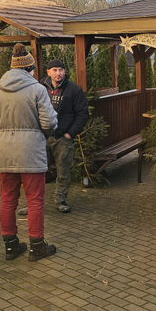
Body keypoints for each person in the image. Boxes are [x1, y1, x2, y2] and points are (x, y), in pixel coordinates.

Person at [0, 43, 58, 261]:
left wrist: (6, 132)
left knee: (8, 198)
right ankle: (37, 246)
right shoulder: (37, 89)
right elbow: (49, 121)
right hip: (32, 151)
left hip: (6, 151)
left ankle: (10, 246)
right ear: (30, 68)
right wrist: (42, 132)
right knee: (35, 200)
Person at [40, 59, 89, 214]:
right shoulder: (39, 88)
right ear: (48, 72)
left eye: (61, 70)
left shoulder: (73, 89)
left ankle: (60, 200)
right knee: (36, 172)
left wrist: (70, 133)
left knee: (63, 171)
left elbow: (82, 114)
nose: (58, 73)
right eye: (54, 70)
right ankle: (33, 203)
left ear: (64, 71)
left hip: (62, 138)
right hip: (42, 137)